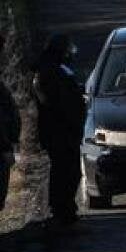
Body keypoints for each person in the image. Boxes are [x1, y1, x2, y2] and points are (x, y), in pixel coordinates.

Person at [32, 35, 86, 224]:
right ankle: (61, 209)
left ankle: (65, 207)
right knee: (65, 171)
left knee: (68, 170)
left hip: (63, 130)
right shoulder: (49, 72)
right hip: (60, 131)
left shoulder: (54, 70)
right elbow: (57, 103)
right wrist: (72, 119)